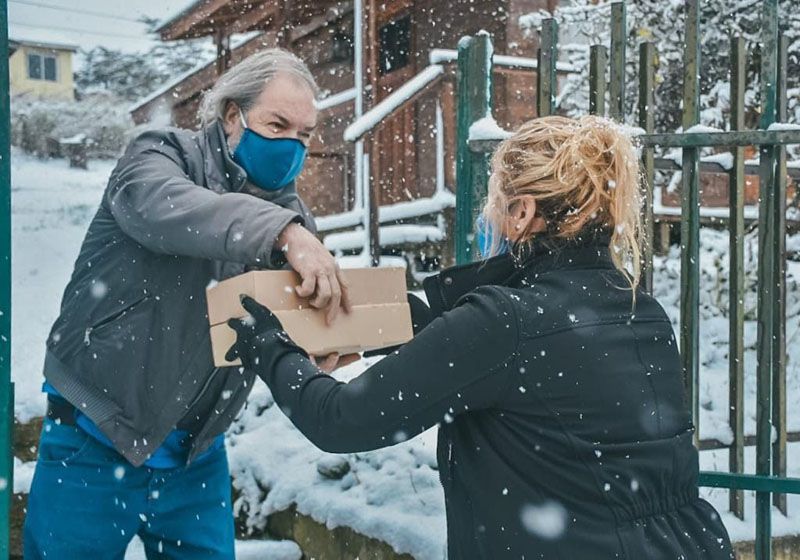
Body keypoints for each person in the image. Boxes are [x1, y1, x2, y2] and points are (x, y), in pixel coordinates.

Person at [228, 116, 735, 559]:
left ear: (522, 213)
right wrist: (377, 326)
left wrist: (270, 348)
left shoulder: (506, 323)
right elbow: (516, 358)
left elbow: (340, 420)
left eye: (495, 201)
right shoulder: (639, 309)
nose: (488, 215)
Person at [23, 48, 354, 559]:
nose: (291, 145)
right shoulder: (160, 155)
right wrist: (282, 233)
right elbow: (162, 208)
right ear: (232, 116)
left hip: (195, 456)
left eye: (304, 134)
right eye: (277, 124)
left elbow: (275, 328)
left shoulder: (288, 217)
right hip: (93, 435)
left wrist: (312, 349)